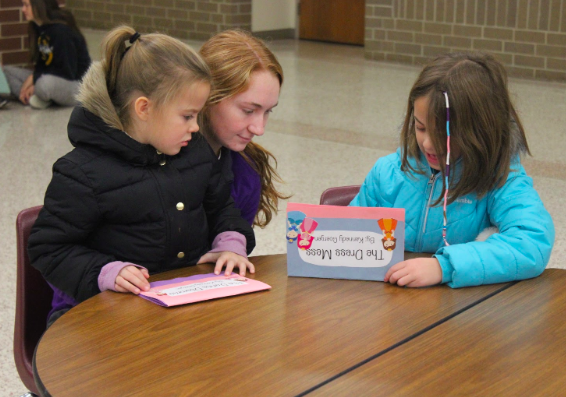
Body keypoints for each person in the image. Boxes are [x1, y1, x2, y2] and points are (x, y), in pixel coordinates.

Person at [27, 26, 255, 328]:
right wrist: (106, 272)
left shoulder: (195, 152)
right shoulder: (82, 173)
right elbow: (49, 248)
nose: (196, 127)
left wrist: (230, 242)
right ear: (144, 108)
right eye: (187, 116)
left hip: (179, 313)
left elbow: (222, 208)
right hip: (102, 321)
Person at [350, 51, 554, 288]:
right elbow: (350, 235)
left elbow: (532, 243)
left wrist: (444, 266)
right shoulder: (387, 172)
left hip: (460, 314)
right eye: (421, 127)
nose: (428, 143)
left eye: (443, 135)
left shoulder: (499, 179)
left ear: (479, 132)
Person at [198, 29, 289, 228]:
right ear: (206, 96)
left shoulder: (246, 174)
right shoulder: (151, 164)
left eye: (268, 111)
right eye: (248, 110)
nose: (259, 129)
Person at [1, 0, 91, 109]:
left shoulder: (61, 31)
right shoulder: (37, 27)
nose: (23, 9)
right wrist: (33, 79)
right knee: (4, 73)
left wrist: (34, 79)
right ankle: (31, 96)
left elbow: (66, 72)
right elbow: (42, 64)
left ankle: (40, 96)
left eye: (26, 5)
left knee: (43, 84)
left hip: (75, 85)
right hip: (49, 77)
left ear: (39, 5)